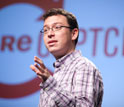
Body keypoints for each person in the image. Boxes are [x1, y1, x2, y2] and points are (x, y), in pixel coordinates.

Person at [30, 8, 103, 107]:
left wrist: (49, 84)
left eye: (57, 27)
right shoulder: (54, 76)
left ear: (74, 34)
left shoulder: (83, 66)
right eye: (46, 30)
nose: (50, 34)